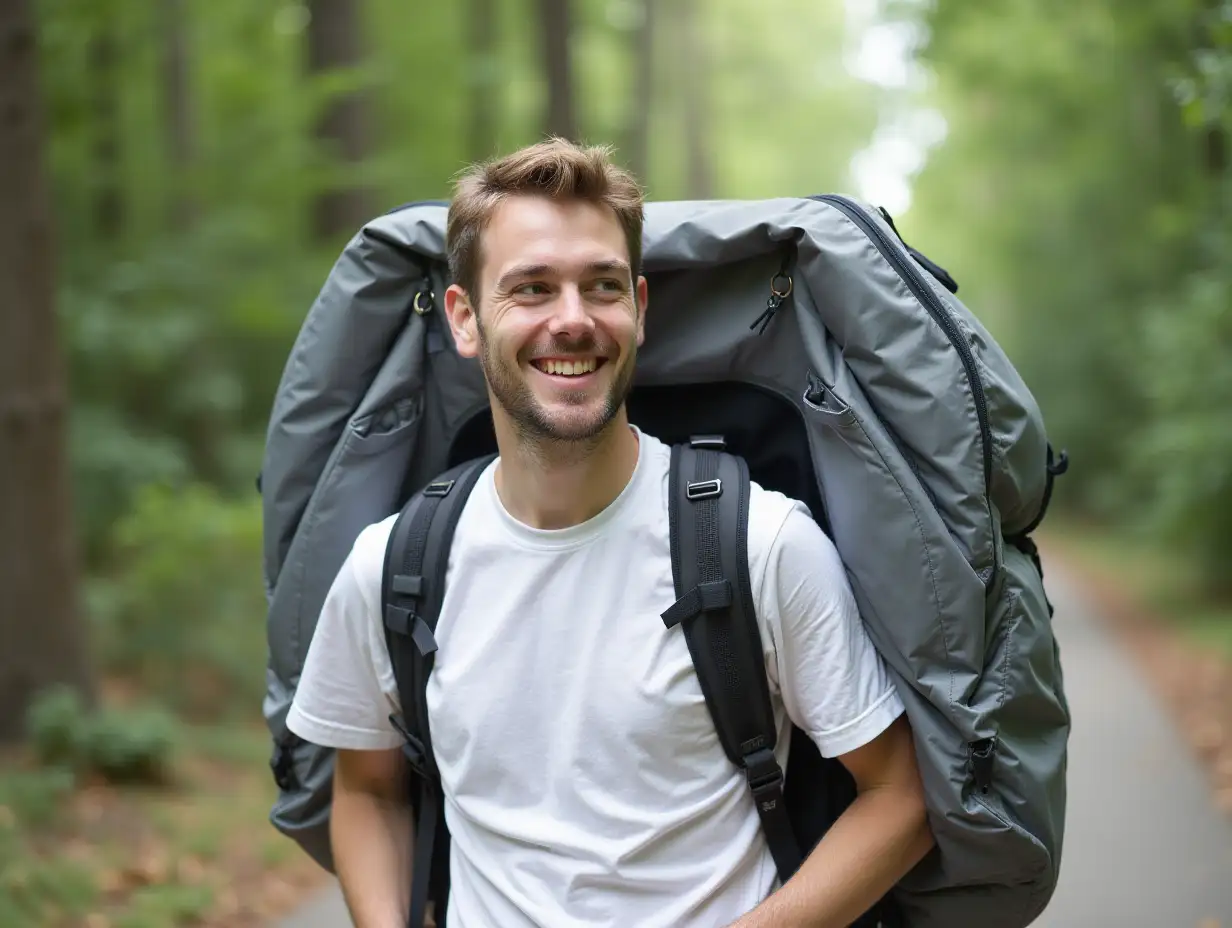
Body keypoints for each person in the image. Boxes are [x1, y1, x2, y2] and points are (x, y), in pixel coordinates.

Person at [285, 137, 935, 928]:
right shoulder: (393, 565)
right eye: (531, 289)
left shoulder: (761, 545)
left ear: (639, 309)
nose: (572, 319)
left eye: (602, 286)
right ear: (463, 318)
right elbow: (364, 790)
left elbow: (898, 798)